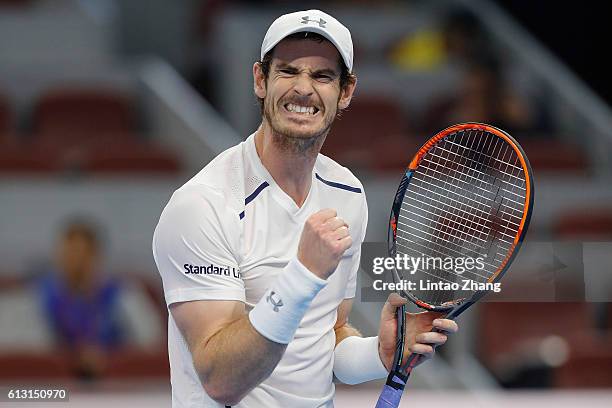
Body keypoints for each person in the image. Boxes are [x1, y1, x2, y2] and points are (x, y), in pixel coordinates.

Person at [152, 9, 458, 407]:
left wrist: (378, 354)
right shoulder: (202, 205)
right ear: (260, 80)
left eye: (322, 76)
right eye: (288, 71)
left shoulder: (347, 192)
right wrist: (303, 274)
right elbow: (220, 378)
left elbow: (327, 335)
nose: (303, 89)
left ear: (345, 92)